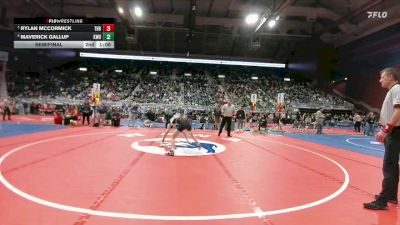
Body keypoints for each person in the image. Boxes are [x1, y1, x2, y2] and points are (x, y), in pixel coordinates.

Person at [364, 67, 400, 210]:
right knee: (393, 165)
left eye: (382, 77)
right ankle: (391, 196)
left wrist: (386, 130)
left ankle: (383, 201)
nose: (380, 80)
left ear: (390, 77)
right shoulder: (393, 90)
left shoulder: (396, 89)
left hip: (394, 131)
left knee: (389, 165)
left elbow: (399, 110)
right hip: (393, 131)